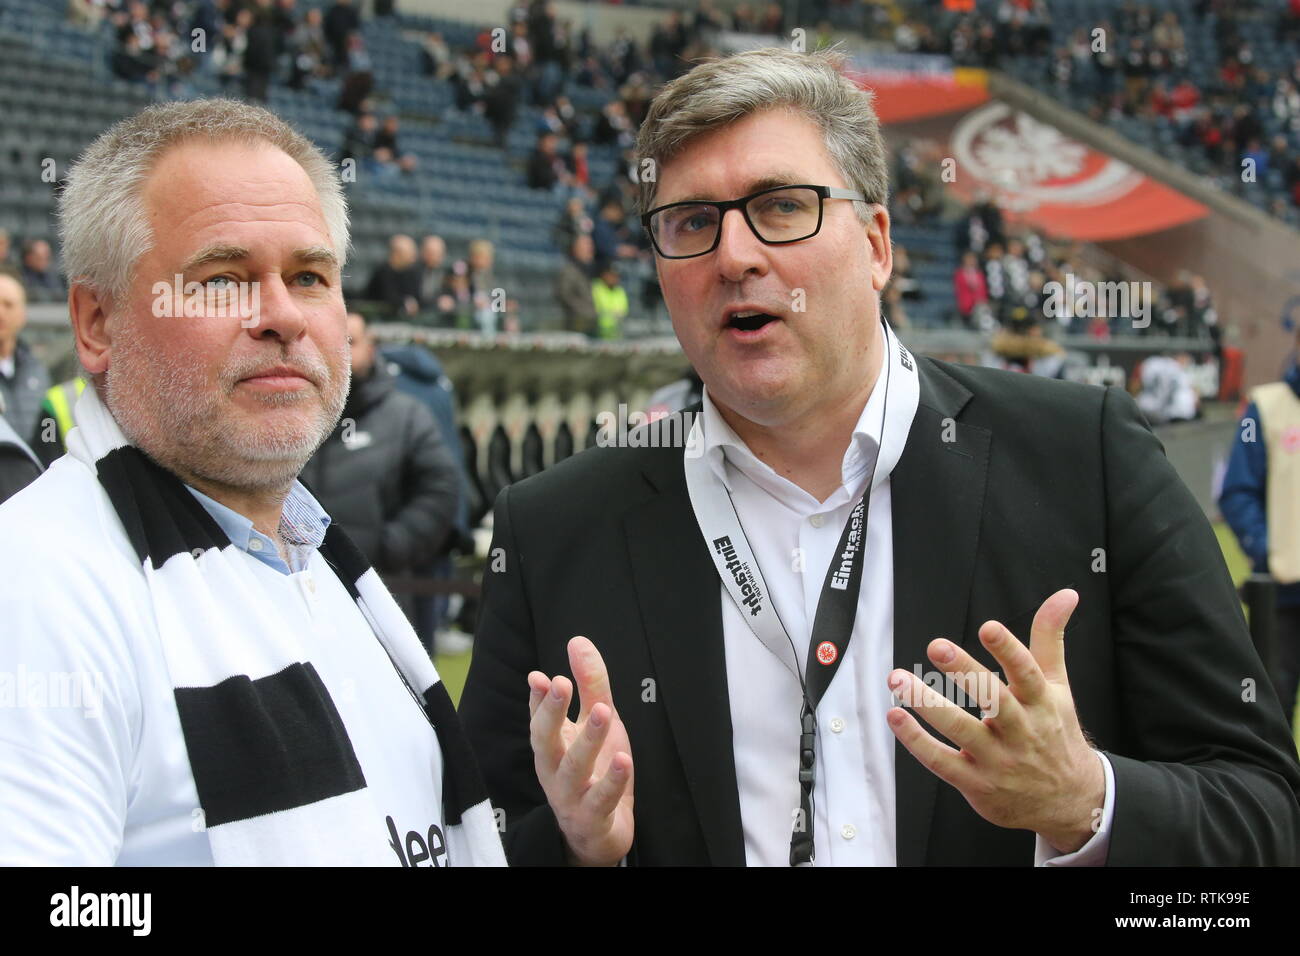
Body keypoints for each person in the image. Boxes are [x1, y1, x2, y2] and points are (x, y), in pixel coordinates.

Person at [459, 47, 1300, 867]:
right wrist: (573, 850)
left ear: (877, 245)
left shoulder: (1087, 459)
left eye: (782, 206)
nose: (735, 256)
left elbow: (1262, 811)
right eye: (691, 223)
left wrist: (1087, 804)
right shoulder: (554, 529)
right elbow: (476, 834)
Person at [0, 98, 504, 866]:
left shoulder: (318, 557)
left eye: (308, 276)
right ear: (97, 323)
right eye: (222, 279)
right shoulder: (36, 584)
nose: (281, 317)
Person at [299, 313, 461, 629]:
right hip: (304, 595)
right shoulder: (290, 415)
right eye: (328, 343)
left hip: (385, 593)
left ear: (371, 348)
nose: (340, 352)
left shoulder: (406, 415)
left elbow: (441, 488)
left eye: (350, 342)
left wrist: (390, 546)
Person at [1220, 326, 1300, 733]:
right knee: (1273, 715)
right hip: (1283, 595)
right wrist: (1269, 552)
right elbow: (1237, 492)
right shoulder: (1267, 406)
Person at [0, 270, 50, 447]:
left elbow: (48, 425)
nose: (1, 313)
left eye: (8, 305)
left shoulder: (38, 370)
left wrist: (49, 452)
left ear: (22, 314)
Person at [554, 234, 596, 335]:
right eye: (587, 246)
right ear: (575, 249)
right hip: (575, 325)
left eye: (591, 246)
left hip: (589, 323)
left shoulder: (587, 271)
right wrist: (586, 311)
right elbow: (564, 295)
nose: (591, 250)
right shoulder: (569, 271)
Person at [591, 259, 628, 340]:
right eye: (611, 275)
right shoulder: (595, 287)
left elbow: (623, 312)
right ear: (604, 274)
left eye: (617, 275)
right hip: (596, 330)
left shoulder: (620, 291)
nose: (615, 278)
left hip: (616, 330)